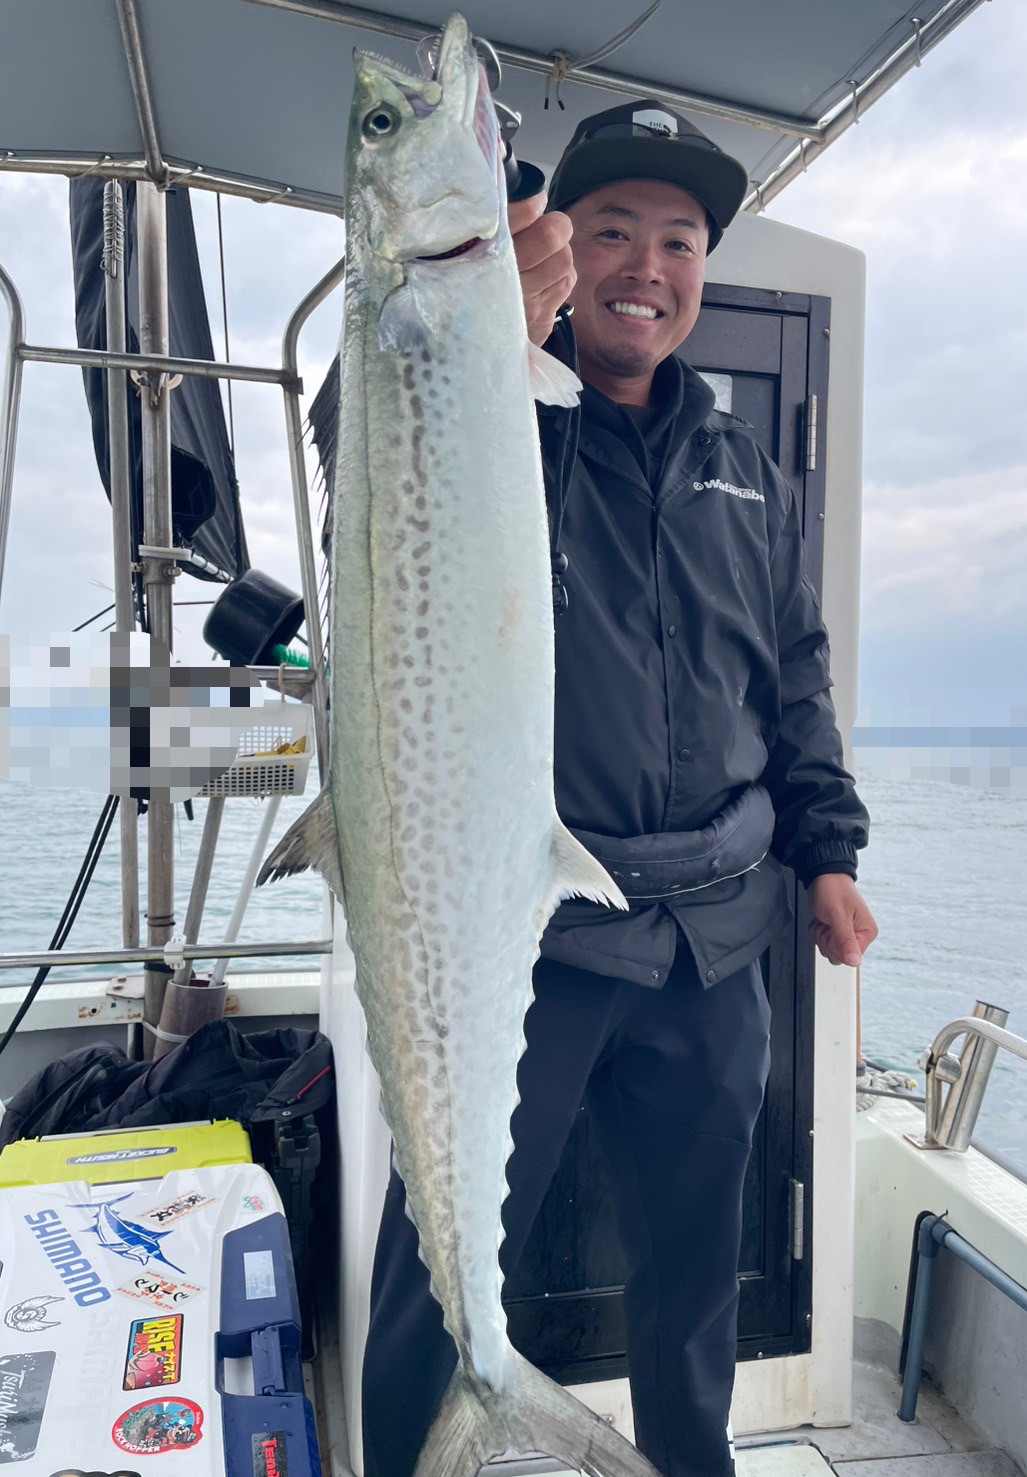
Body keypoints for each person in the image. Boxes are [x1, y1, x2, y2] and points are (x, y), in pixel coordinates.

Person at [362, 101, 877, 1477]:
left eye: (679, 240)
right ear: (555, 250)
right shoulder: (492, 417)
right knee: (435, 1256)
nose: (646, 266)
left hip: (715, 941)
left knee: (696, 1284)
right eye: (611, 232)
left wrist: (829, 856)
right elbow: (363, 447)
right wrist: (484, 335)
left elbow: (795, 678)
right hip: (529, 937)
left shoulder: (745, 467)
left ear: (704, 269)